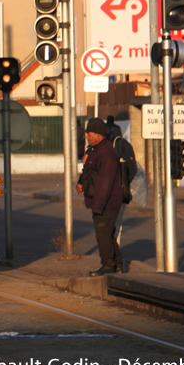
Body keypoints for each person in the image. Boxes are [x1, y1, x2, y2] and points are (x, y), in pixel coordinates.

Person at [76, 117, 124, 276]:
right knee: (108, 233)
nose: (87, 137)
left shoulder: (106, 152)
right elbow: (90, 172)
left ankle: (108, 265)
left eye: (89, 134)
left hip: (107, 202)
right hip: (102, 201)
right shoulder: (96, 150)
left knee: (102, 234)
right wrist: (82, 183)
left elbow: (105, 182)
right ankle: (117, 264)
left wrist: (98, 205)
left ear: (98, 134)